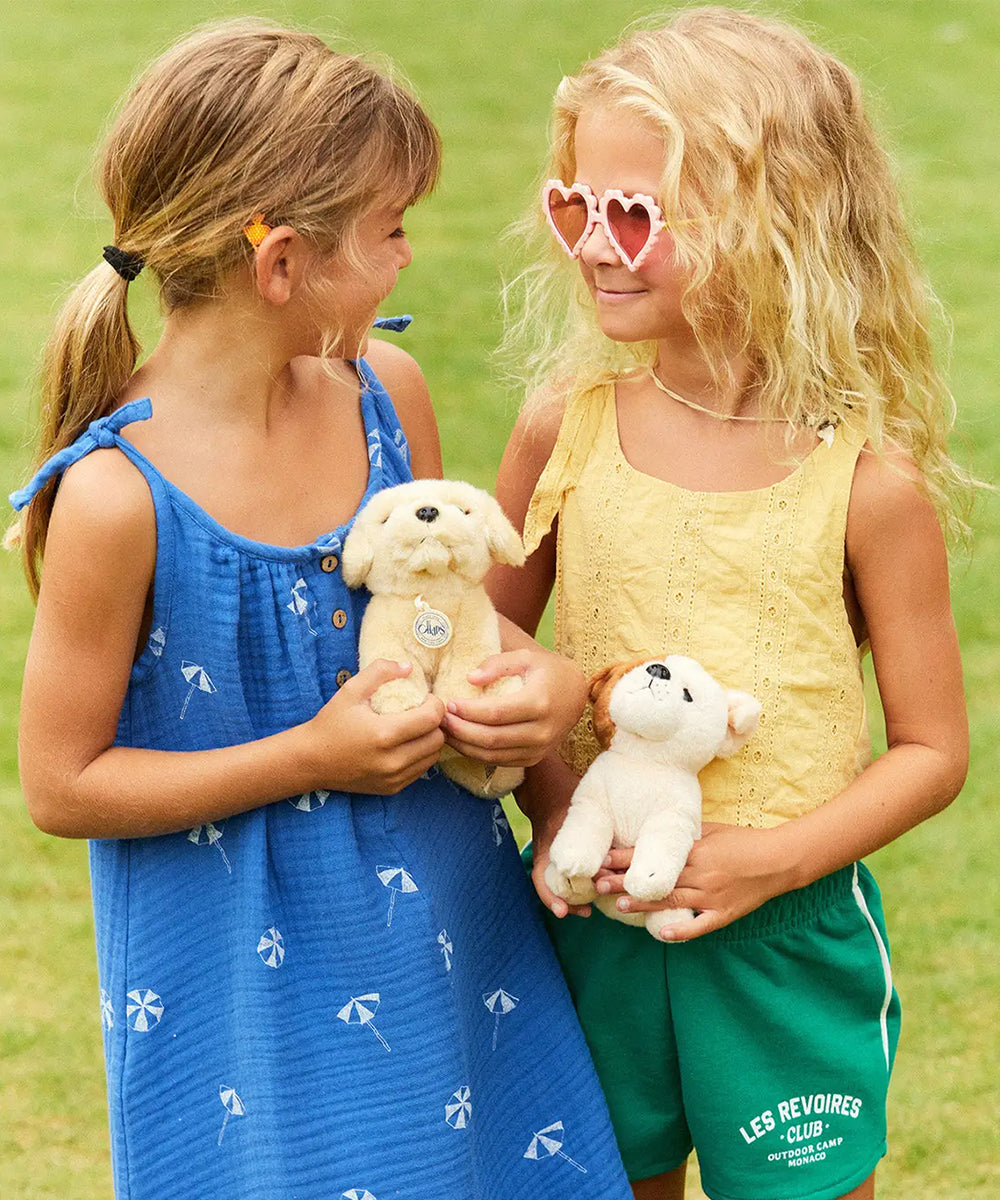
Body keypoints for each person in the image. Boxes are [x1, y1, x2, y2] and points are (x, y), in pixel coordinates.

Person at [7, 20, 631, 1199]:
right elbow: (63, 784)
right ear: (283, 264)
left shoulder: (384, 393)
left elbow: (457, 619)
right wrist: (309, 756)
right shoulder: (116, 497)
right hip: (247, 992)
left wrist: (546, 729)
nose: (406, 256)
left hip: (455, 935)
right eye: (389, 229)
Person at [486, 8, 972, 1200]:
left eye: (634, 214)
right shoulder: (563, 427)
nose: (593, 245)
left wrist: (775, 861)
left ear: (778, 218)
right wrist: (557, 805)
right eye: (573, 206)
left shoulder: (865, 484)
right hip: (591, 922)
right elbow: (489, 641)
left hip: (783, 945)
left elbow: (932, 751)